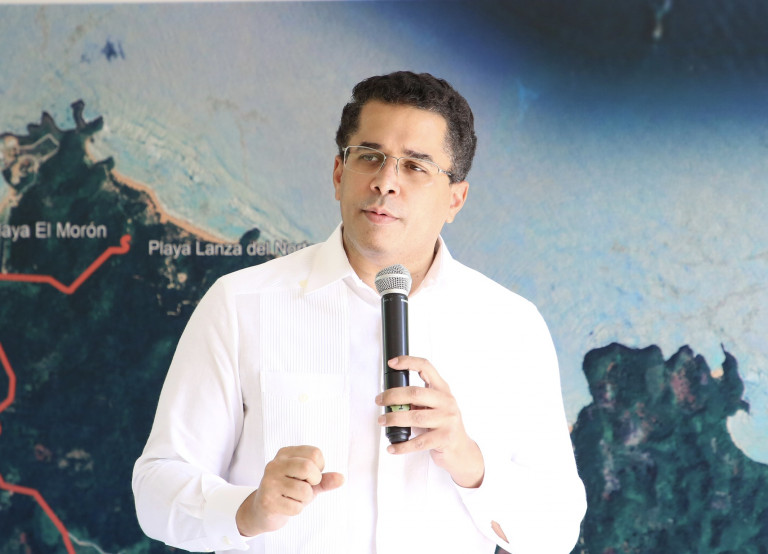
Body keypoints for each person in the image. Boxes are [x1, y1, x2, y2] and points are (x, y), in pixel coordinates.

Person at [132, 71, 586, 553]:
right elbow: (156, 491)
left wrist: (468, 460)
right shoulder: (241, 303)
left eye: (416, 166)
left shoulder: (511, 328)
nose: (385, 182)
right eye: (369, 156)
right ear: (338, 174)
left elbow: (556, 533)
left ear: (455, 199)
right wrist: (246, 509)